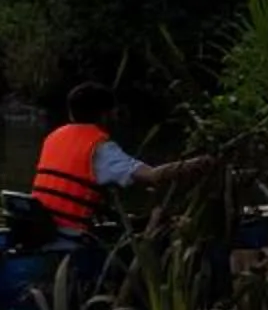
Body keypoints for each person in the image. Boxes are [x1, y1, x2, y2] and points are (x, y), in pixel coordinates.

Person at [15, 82, 216, 247]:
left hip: (41, 229)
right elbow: (153, 176)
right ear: (105, 114)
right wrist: (197, 164)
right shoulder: (101, 149)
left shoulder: (53, 137)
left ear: (71, 113)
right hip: (70, 237)